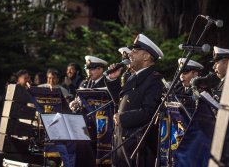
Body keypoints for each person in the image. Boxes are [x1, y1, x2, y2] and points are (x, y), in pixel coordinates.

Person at [107, 33, 164, 167]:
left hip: (138, 146)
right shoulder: (133, 76)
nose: (130, 54)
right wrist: (113, 80)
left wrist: (123, 118)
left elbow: (148, 112)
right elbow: (120, 101)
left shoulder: (154, 79)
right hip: (122, 142)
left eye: (135, 51)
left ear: (146, 56)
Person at [69, 55, 108, 167]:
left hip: (98, 127)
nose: (88, 72)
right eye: (87, 69)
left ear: (100, 69)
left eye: (92, 69)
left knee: (93, 158)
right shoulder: (84, 83)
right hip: (83, 126)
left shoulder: (106, 83)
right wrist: (75, 103)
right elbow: (79, 99)